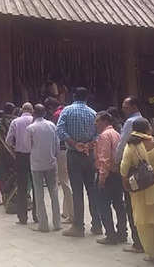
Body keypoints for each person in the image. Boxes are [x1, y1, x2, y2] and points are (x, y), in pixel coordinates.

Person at [120, 118, 154, 262]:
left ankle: (153, 254)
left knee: (145, 222)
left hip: (142, 188)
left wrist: (126, 185)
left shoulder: (131, 145)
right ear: (147, 128)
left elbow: (124, 169)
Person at [57, 87, 101, 238]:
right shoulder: (93, 113)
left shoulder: (67, 111)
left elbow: (60, 131)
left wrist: (74, 143)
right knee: (92, 190)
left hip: (74, 154)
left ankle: (78, 226)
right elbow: (98, 133)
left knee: (77, 191)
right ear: (87, 98)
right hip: (89, 154)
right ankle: (97, 225)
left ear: (73, 96)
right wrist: (89, 144)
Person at [27, 103, 61, 233]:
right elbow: (57, 144)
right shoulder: (52, 125)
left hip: (36, 164)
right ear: (45, 113)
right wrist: (55, 156)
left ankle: (43, 224)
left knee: (39, 193)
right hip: (51, 162)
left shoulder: (31, 128)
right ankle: (57, 223)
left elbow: (28, 147)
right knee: (54, 192)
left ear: (34, 114)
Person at [94, 111, 127, 245]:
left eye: (97, 121)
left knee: (104, 205)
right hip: (117, 174)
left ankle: (110, 234)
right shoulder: (116, 133)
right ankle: (122, 233)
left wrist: (102, 178)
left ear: (104, 121)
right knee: (119, 204)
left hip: (108, 175)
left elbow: (104, 159)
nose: (95, 124)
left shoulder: (104, 136)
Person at [115, 95, 143, 252]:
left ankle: (137, 242)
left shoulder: (130, 122)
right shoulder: (142, 119)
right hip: (142, 166)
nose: (123, 109)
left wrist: (116, 161)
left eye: (125, 106)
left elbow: (122, 143)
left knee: (131, 204)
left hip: (130, 166)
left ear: (133, 107)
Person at [6, 102, 35, 225]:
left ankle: (22, 217)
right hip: (34, 156)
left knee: (21, 187)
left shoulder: (15, 122)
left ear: (22, 110)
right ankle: (37, 215)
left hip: (20, 156)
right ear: (32, 110)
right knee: (36, 186)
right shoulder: (35, 120)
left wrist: (14, 147)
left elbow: (8, 140)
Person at [46, 96, 73, 223]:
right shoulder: (68, 110)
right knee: (67, 179)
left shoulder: (58, 115)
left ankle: (71, 213)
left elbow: (57, 134)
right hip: (73, 149)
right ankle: (66, 211)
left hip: (62, 149)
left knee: (64, 181)